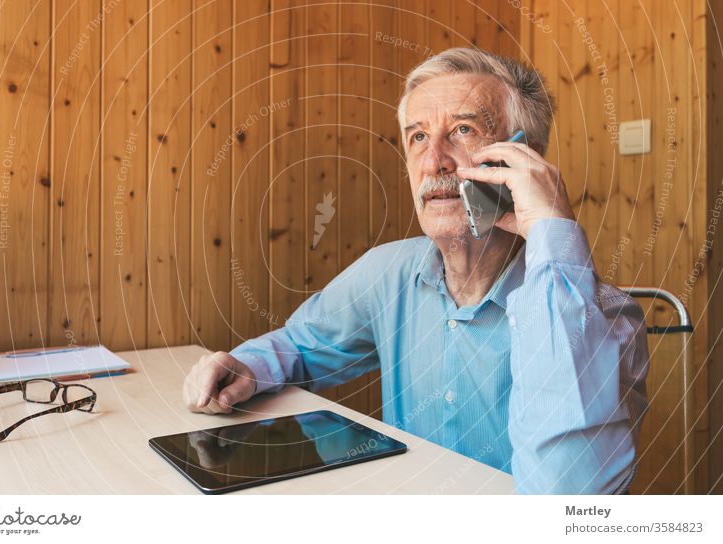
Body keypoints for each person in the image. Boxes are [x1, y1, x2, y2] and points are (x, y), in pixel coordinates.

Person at [182, 47, 649, 494]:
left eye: (463, 130)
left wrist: (549, 226)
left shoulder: (605, 319)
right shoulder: (391, 272)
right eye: (418, 136)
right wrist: (247, 366)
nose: (432, 162)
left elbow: (566, 496)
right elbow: (300, 345)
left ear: (522, 158)